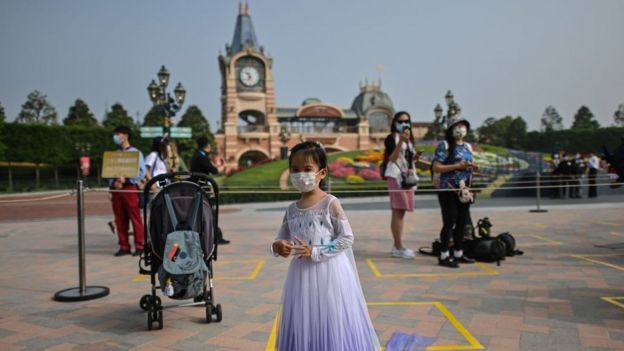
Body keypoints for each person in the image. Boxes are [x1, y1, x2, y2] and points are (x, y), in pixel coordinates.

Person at [271, 141, 380, 351]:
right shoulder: (291, 209)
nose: (300, 174)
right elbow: (280, 237)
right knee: (304, 321)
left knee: (331, 319)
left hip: (330, 275)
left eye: (307, 169)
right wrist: (278, 246)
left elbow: (347, 237)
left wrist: (317, 251)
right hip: (301, 277)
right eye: (295, 169)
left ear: (322, 173)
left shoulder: (330, 203)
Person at [432, 116, 479, 268]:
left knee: (462, 222)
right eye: (456, 125)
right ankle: (444, 254)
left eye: (462, 125)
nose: (460, 128)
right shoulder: (444, 146)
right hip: (448, 190)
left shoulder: (467, 147)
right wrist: (456, 166)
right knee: (449, 223)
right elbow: (437, 167)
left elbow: (467, 166)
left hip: (464, 189)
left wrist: (471, 167)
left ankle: (459, 253)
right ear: (450, 129)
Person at [382, 111, 419, 258]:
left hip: (407, 177)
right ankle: (398, 246)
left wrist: (415, 157)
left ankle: (397, 245)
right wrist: (401, 142)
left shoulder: (410, 140)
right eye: (401, 121)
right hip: (396, 177)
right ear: (395, 122)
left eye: (406, 121)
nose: (404, 124)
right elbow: (392, 157)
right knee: (397, 211)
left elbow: (407, 159)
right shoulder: (391, 138)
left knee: (401, 212)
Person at [108, 126, 146, 257]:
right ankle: (124, 246)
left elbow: (141, 172)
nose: (116, 137)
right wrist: (113, 183)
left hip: (130, 188)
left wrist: (127, 179)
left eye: (118, 134)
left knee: (135, 217)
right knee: (120, 219)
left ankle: (140, 245)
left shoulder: (136, 153)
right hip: (117, 189)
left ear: (126, 135)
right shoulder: (114, 154)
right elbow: (109, 172)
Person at [190, 136, 230, 245]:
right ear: (207, 146)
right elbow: (214, 170)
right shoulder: (201, 157)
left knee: (206, 213)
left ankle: (213, 236)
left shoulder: (196, 156)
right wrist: (223, 166)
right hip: (202, 190)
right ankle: (215, 237)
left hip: (199, 188)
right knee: (210, 213)